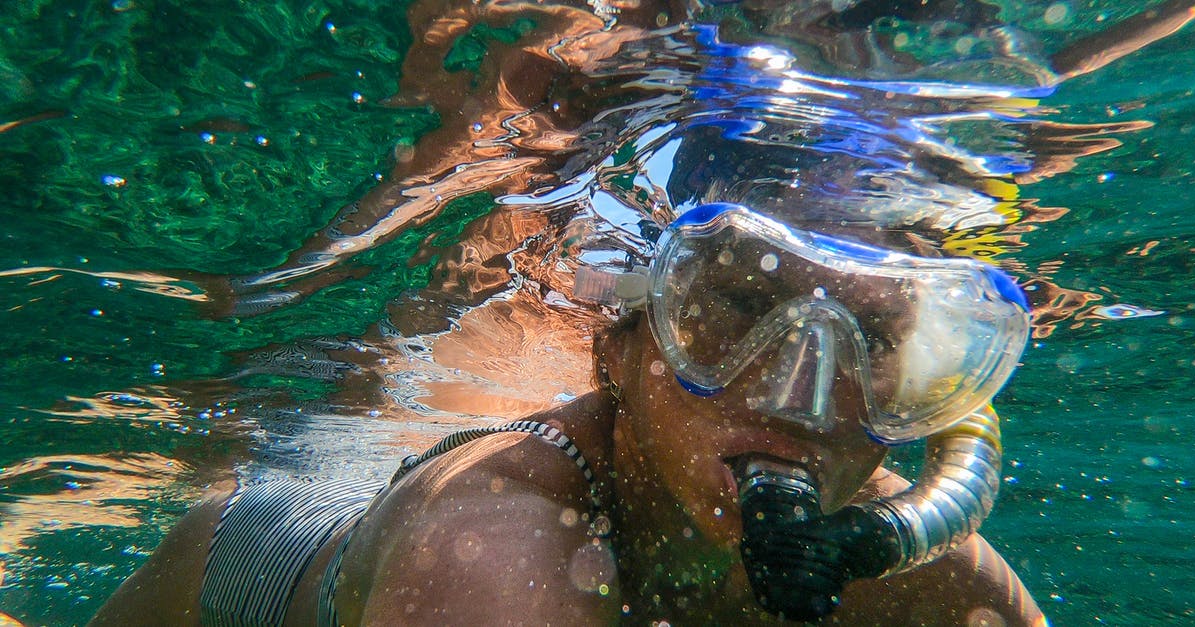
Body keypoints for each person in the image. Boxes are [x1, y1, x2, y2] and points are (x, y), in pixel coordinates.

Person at [92, 200, 1045, 625]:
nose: (799, 395)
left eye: (871, 339)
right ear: (618, 347)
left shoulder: (901, 549)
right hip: (268, 554)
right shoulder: (493, 535)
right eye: (739, 312)